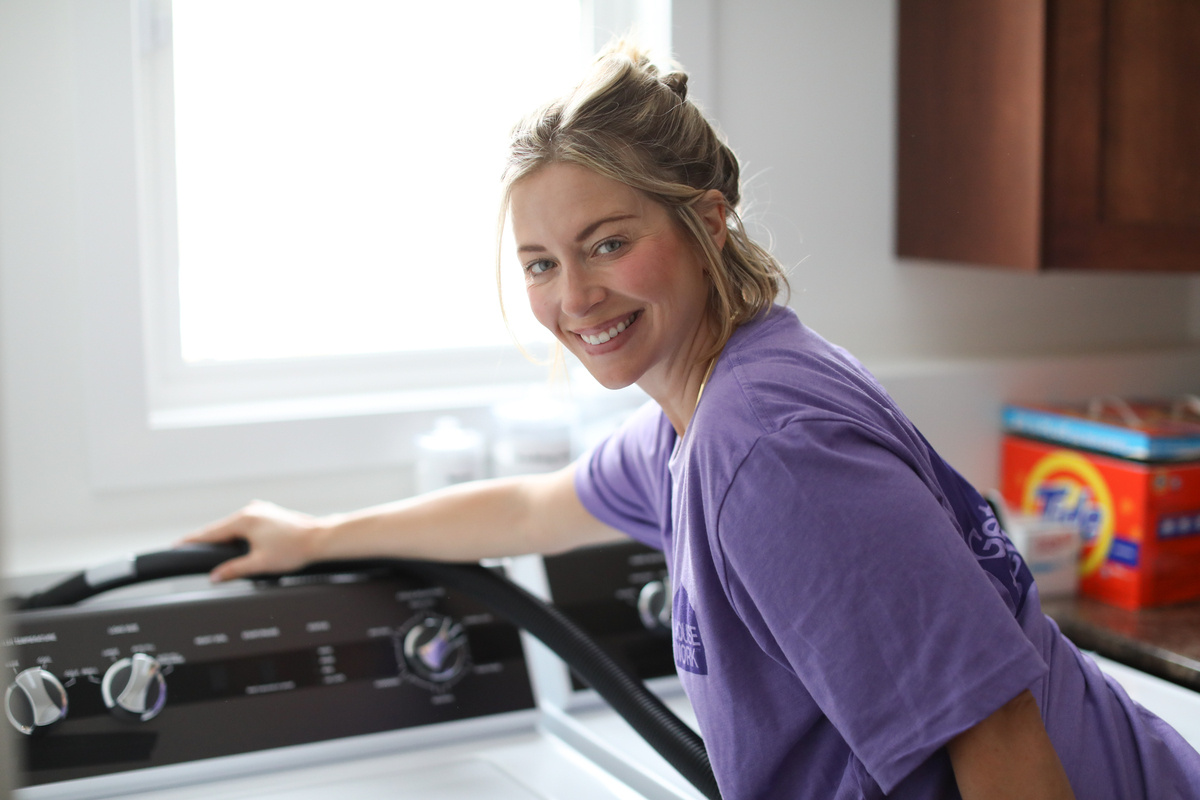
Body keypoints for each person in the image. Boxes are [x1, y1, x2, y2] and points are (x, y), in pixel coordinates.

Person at [186, 42, 1200, 800]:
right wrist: (315, 536)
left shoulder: (767, 447)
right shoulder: (708, 402)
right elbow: (536, 506)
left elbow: (1003, 743)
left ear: (705, 222)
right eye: (542, 263)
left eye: (608, 242)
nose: (573, 295)